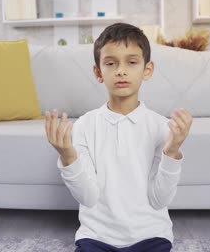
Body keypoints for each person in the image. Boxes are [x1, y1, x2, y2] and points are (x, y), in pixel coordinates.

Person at [44, 23, 193, 252]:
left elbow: (159, 199)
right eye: (110, 63)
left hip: (151, 236)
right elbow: (88, 196)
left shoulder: (162, 127)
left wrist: (172, 151)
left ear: (147, 69)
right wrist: (67, 156)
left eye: (131, 62)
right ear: (98, 72)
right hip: (96, 237)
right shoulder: (85, 125)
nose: (120, 71)